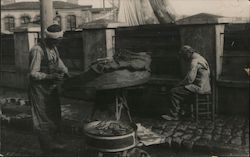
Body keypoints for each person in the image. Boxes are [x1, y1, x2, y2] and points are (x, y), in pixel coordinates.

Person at [28, 24, 69, 154]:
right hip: (39, 90)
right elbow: (33, 73)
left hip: (51, 89)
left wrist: (67, 74)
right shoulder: (37, 50)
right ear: (51, 39)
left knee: (54, 116)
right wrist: (50, 76)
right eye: (58, 40)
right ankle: (46, 149)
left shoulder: (54, 48)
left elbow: (59, 63)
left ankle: (55, 144)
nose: (59, 42)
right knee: (42, 120)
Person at [162, 45, 211, 121]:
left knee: (174, 91)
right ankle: (182, 111)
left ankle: (174, 115)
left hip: (198, 88)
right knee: (181, 90)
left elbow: (189, 79)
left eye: (184, 57)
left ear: (188, 54)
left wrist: (179, 84)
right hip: (206, 87)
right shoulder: (200, 58)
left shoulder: (194, 61)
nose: (184, 59)